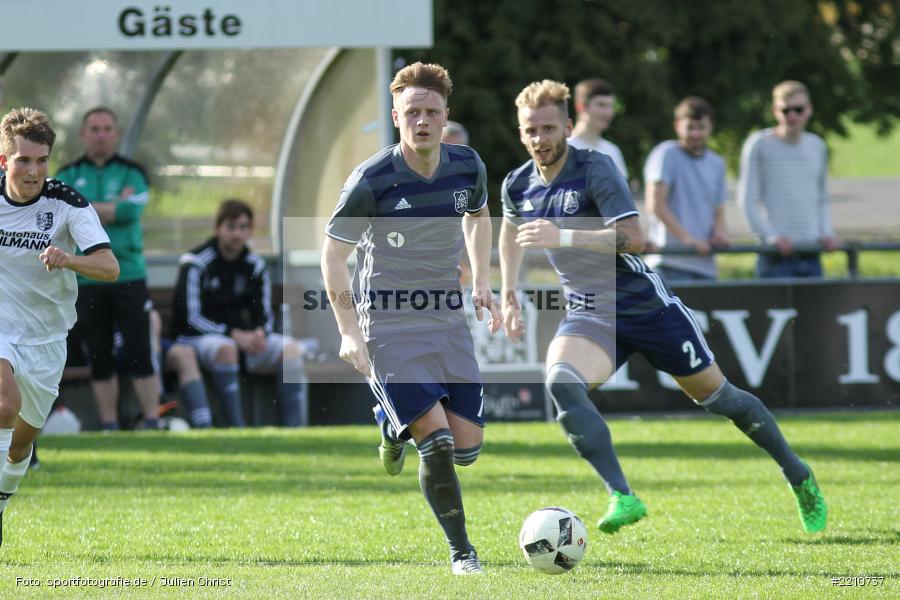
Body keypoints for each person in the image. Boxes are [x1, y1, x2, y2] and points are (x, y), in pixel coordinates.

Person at [499, 80, 827, 537]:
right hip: (590, 311)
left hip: (645, 307)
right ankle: (622, 495)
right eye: (530, 130)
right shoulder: (517, 184)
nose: (540, 139)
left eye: (549, 128)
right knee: (561, 383)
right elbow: (510, 234)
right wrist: (509, 292)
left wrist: (564, 235)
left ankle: (798, 474)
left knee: (722, 399)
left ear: (569, 126)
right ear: (520, 132)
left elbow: (635, 238)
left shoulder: (596, 168)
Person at [320, 62, 501, 574]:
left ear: (447, 117)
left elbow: (478, 214)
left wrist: (482, 280)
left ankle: (388, 425)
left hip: (445, 318)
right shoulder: (371, 179)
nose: (422, 121)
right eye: (412, 112)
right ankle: (462, 553)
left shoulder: (468, 166)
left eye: (432, 112)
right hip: (388, 323)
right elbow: (333, 255)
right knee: (438, 445)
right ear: (395, 116)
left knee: (466, 447)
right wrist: (348, 333)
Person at [0, 107, 119, 545]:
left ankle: (1, 500)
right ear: (4, 161)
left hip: (48, 339)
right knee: (3, 406)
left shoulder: (68, 204)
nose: (34, 171)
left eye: (42, 160)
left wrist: (68, 259)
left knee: (19, 444)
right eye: (23, 161)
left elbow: (110, 267)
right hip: (1, 331)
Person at [56, 107, 159, 430]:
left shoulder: (133, 171)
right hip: (86, 275)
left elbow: (130, 211)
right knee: (98, 353)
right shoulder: (68, 173)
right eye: (94, 128)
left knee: (139, 349)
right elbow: (63, 213)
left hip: (129, 273)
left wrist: (83, 207)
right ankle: (109, 424)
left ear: (116, 133)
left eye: (107, 128)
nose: (100, 134)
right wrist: (110, 207)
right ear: (83, 134)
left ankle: (152, 421)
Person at [172, 199, 310, 428]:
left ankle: (295, 429)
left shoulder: (254, 265)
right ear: (218, 228)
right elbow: (191, 318)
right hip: (196, 339)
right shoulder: (196, 262)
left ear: (250, 231)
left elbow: (263, 312)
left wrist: (259, 333)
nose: (237, 234)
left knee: (292, 350)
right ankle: (237, 429)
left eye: (243, 227)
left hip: (243, 341)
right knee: (226, 349)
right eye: (231, 227)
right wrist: (234, 335)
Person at [738, 80, 839, 278]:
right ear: (775, 111)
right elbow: (747, 200)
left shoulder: (817, 145)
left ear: (808, 110)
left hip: (811, 250)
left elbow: (821, 198)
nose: (792, 115)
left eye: (798, 109)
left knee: (814, 309)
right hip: (775, 255)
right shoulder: (759, 144)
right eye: (786, 110)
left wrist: (826, 232)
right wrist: (771, 237)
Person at [643, 97, 728, 282]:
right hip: (669, 262)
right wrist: (689, 240)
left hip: (705, 267)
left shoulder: (717, 163)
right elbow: (656, 205)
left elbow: (718, 210)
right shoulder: (666, 153)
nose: (696, 133)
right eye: (690, 127)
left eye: (701, 127)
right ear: (677, 125)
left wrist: (720, 234)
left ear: (710, 127)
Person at [568, 78, 628, 178]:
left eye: (611, 106)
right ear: (581, 107)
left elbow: (620, 192)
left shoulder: (613, 151)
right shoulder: (564, 148)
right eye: (601, 105)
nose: (608, 112)